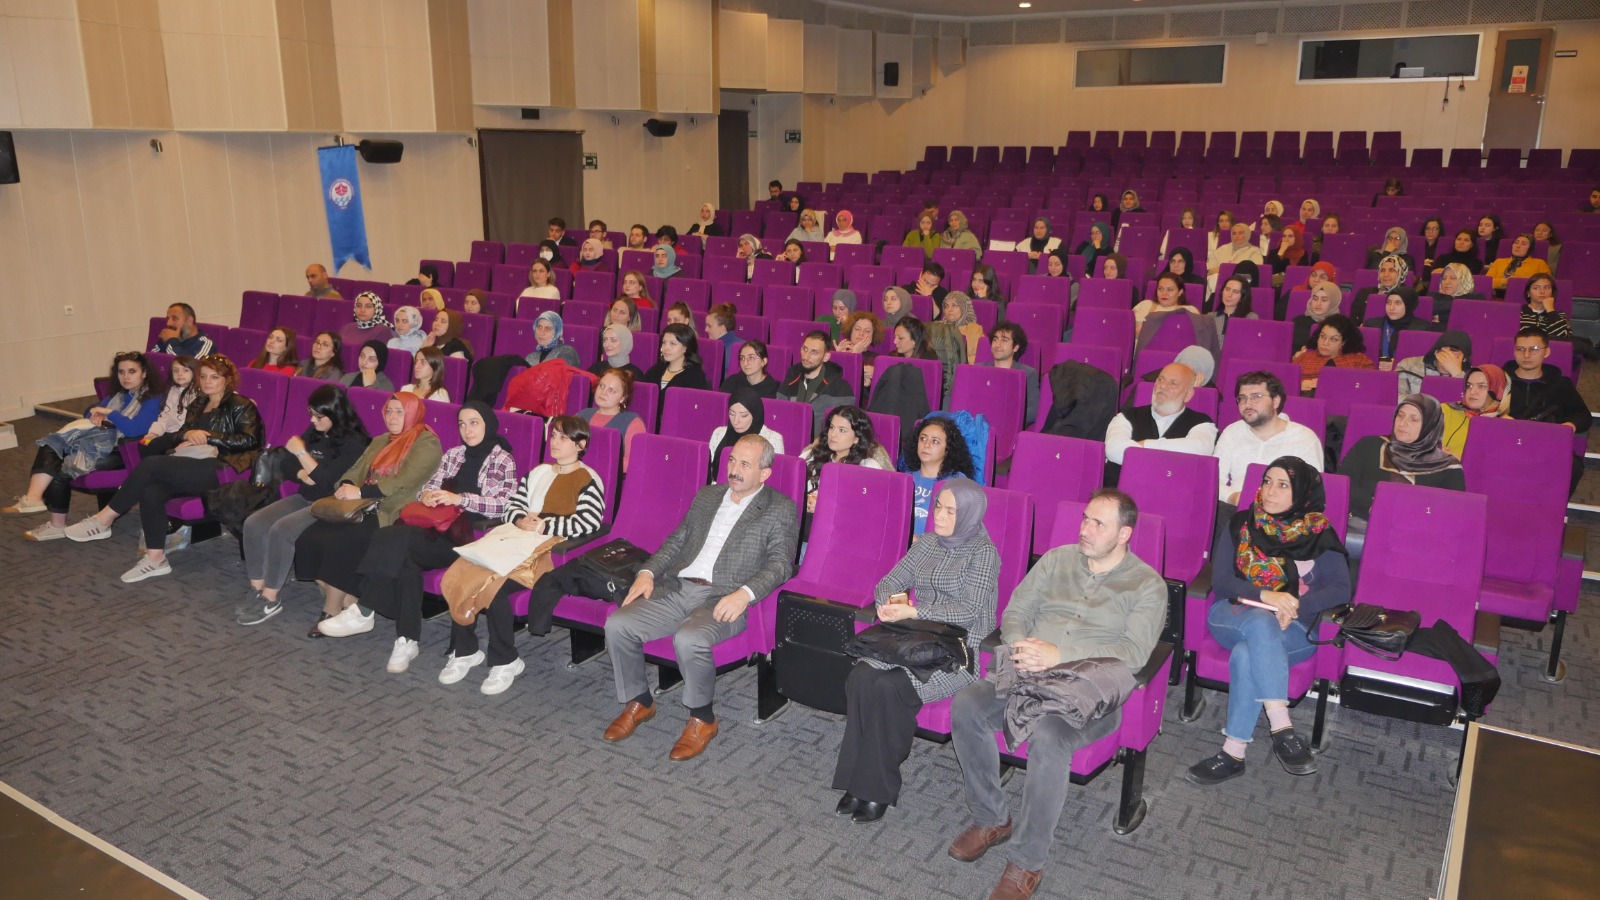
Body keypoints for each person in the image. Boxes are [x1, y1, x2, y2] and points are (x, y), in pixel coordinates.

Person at [946, 488, 1164, 900]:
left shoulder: (1147, 585)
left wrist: (1059, 654)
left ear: (1124, 534)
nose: (1085, 529)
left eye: (1098, 524)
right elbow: (1016, 611)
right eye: (1085, 519)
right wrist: (1020, 646)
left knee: (1049, 735)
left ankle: (1027, 861)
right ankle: (991, 818)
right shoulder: (1056, 559)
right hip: (1028, 669)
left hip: (1088, 691)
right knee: (968, 705)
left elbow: (1134, 652)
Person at [601, 436, 798, 760]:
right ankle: (639, 701)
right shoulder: (708, 495)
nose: (734, 469)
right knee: (618, 624)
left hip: (724, 597)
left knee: (690, 638)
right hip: (678, 587)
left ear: (764, 473)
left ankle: (702, 719)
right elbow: (677, 540)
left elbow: (781, 564)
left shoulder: (780, 508)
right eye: (732, 460)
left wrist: (744, 594)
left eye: (744, 464)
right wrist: (647, 572)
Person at [832, 480, 997, 824]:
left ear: (969, 514)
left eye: (951, 510)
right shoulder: (929, 543)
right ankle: (855, 779)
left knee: (888, 687)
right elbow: (889, 581)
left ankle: (874, 790)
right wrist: (890, 602)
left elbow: (968, 611)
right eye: (938, 506)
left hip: (957, 651)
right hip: (914, 639)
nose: (940, 515)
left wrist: (915, 611)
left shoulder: (983, 553)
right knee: (861, 676)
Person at [319, 403, 518, 679]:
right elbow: (428, 486)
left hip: (470, 539)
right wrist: (428, 496)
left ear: (488, 424)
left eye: (474, 423)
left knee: (394, 540)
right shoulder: (454, 454)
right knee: (401, 555)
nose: (467, 430)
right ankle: (406, 640)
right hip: (436, 529)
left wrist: (459, 499)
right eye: (462, 424)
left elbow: (503, 504)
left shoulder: (503, 460)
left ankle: (365, 610)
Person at [1186, 458, 1350, 786]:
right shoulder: (1242, 524)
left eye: (1283, 485)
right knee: (1261, 623)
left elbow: (1341, 588)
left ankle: (1233, 754)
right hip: (1234, 615)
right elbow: (1222, 582)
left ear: (1302, 492)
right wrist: (1267, 596)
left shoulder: (1319, 532)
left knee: (1247, 653)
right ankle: (1282, 728)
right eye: (1267, 482)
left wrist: (1296, 605)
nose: (1270, 491)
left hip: (1295, 628)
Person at [64, 355, 262, 583]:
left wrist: (210, 437)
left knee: (151, 464)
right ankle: (156, 558)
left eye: (214, 377)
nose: (207, 381)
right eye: (204, 376)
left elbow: (251, 440)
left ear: (227, 379)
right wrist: (186, 435)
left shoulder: (240, 404)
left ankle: (104, 519)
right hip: (196, 462)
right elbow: (182, 432)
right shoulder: (198, 403)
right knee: (152, 491)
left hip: (223, 468)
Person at [449, 415, 607, 681]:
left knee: (495, 588)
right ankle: (464, 651)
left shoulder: (588, 478)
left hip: (546, 552)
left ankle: (506, 660)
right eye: (553, 435)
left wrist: (545, 525)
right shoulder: (539, 471)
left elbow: (589, 521)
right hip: (516, 540)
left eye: (563, 437)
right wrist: (520, 519)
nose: (554, 442)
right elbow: (512, 505)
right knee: (465, 573)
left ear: (580, 444)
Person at [290, 392, 442, 634]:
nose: (392, 417)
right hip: (360, 507)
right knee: (311, 537)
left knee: (340, 543)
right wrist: (347, 485)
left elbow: (402, 481)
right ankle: (350, 600)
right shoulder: (382, 440)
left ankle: (331, 610)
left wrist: (359, 492)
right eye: (389, 411)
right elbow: (357, 469)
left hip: (391, 512)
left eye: (400, 412)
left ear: (414, 413)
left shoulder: (427, 444)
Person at [233, 384, 372, 625]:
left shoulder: (354, 443)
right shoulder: (315, 431)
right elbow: (285, 463)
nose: (312, 420)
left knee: (281, 530)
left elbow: (327, 480)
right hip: (304, 496)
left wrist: (301, 454)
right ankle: (257, 588)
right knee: (253, 523)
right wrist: (301, 474)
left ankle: (270, 598)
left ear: (335, 414)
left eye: (318, 416)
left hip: (328, 505)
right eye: (311, 414)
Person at [6, 352, 162, 540]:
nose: (126, 377)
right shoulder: (119, 394)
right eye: (121, 372)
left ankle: (55, 524)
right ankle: (34, 498)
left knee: (61, 466)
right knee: (52, 444)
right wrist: (97, 415)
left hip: (123, 451)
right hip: (99, 443)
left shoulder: (152, 399)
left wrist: (109, 414)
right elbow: (90, 411)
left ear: (144, 373)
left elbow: (134, 429)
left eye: (132, 371)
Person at [1341, 395, 1466, 554]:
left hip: (1415, 542)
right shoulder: (1369, 446)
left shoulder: (1448, 467)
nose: (1403, 423)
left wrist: (1396, 511)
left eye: (1414, 419)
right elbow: (1343, 487)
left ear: (1430, 425)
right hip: (1360, 531)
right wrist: (1378, 507)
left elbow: (1451, 515)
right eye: (1400, 415)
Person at [1215, 371, 1324, 504]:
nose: (1247, 404)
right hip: (1234, 507)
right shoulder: (1232, 432)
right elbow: (1213, 478)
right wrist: (1233, 497)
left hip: (1282, 511)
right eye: (1242, 398)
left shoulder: (1304, 438)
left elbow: (1312, 490)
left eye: (1256, 397)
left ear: (1275, 401)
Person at [1506, 328, 1590, 493]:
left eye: (1534, 349)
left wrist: (1569, 426)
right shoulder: (1499, 380)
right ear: (1514, 351)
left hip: (1545, 444)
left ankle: (1552, 506)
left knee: (1572, 466)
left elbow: (1583, 415)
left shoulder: (1560, 384)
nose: (1527, 355)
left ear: (1547, 352)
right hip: (1506, 441)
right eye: (1521, 349)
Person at [1104, 362, 1217, 483]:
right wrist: (1170, 456)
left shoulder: (1203, 423)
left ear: (1188, 395)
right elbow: (1113, 451)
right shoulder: (1125, 417)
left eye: (1173, 383)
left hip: (1173, 492)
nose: (1162, 386)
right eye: (1161, 379)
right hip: (1123, 491)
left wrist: (1145, 445)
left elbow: (1199, 450)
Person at [465, 310, 580, 405]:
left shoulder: (567, 351)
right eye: (539, 327)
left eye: (548, 329)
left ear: (558, 332)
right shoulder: (531, 357)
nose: (541, 332)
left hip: (552, 405)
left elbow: (562, 386)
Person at [799, 406, 892, 516]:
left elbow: (872, 508)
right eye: (832, 427)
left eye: (842, 430)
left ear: (857, 438)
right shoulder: (811, 455)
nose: (833, 435)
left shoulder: (868, 467)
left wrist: (824, 505)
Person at [904, 416, 976, 536]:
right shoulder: (906, 478)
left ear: (947, 449)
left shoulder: (957, 483)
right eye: (923, 438)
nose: (926, 445)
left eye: (935, 441)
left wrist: (916, 541)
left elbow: (957, 532)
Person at [778, 330, 854, 423]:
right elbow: (778, 414)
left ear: (826, 357)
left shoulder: (840, 388)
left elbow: (843, 426)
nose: (806, 357)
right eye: (805, 349)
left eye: (814, 352)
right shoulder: (790, 380)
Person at [579, 368, 646, 472]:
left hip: (607, 476)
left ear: (623, 398)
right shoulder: (582, 414)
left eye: (611, 390)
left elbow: (633, 461)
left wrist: (599, 466)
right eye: (601, 386)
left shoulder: (633, 422)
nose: (603, 392)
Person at [708, 390, 784, 478]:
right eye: (732, 414)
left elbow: (773, 477)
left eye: (743, 416)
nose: (736, 421)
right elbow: (709, 470)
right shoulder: (719, 433)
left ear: (755, 415)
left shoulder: (772, 439)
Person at [1293, 314, 1373, 395]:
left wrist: (1332, 384)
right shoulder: (1303, 358)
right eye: (1323, 336)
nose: (1325, 343)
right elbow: (1288, 384)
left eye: (1334, 339)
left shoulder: (1358, 361)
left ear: (1343, 342)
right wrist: (1298, 386)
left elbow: (1370, 387)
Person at [1441, 365, 1506, 458]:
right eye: (1469, 386)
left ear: (1498, 390)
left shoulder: (1504, 424)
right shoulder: (1445, 410)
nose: (1472, 391)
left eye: (1482, 386)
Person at [982, 323, 1040, 427]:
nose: (997, 345)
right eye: (995, 339)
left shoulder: (1027, 374)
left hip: (1009, 426)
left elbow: (1034, 410)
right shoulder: (979, 369)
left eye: (1004, 340)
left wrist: (1005, 417)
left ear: (1015, 347)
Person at [1396, 330, 1471, 397]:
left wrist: (1457, 374)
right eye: (1445, 357)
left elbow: (1469, 402)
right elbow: (1395, 396)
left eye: (1455, 359)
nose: (1448, 364)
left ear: (1464, 359)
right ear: (1436, 352)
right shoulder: (1408, 365)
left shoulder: (1472, 375)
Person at [644, 322, 711, 395]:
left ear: (685, 348)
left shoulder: (695, 376)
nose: (666, 348)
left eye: (672, 343)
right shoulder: (656, 369)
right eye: (664, 342)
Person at [1363, 287, 1425, 362]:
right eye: (1388, 302)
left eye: (1397, 303)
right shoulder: (1371, 325)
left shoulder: (1421, 328)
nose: (1391, 308)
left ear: (1408, 305)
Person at [1132, 272, 1203, 335]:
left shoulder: (1189, 311)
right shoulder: (1145, 305)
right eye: (1160, 289)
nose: (1164, 293)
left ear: (1180, 292)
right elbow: (1128, 329)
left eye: (1170, 290)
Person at [1486, 233, 1552, 296]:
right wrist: (1504, 281)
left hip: (1526, 299)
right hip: (1497, 298)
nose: (1518, 246)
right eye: (1516, 243)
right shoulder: (1499, 262)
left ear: (1530, 248)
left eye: (1523, 244)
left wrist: (1518, 282)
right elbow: (1487, 282)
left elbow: (1546, 285)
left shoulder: (1540, 263)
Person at [1518, 273, 1573, 341]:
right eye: (1536, 288)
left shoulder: (1559, 315)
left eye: (1547, 288)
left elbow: (1563, 338)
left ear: (1552, 293)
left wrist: (1550, 310)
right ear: (1528, 293)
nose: (1542, 291)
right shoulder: (1518, 312)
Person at [1291, 282, 1343, 354]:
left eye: (1324, 300)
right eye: (1315, 299)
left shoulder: (1340, 325)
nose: (1318, 303)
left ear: (1333, 302)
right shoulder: (1298, 321)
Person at [1431, 262, 1481, 327]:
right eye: (1444, 278)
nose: (1447, 282)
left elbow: (1468, 318)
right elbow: (1426, 310)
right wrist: (1457, 306)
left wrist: (1441, 317)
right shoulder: (1433, 296)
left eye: (1453, 278)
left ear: (1463, 280)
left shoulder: (1476, 298)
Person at [940, 292, 986, 364]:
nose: (949, 309)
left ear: (964, 307)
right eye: (946, 306)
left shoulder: (974, 329)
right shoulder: (937, 327)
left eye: (954, 306)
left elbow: (980, 358)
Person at [1206, 275, 1256, 341]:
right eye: (1227, 289)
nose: (1229, 295)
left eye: (1235, 292)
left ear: (1242, 297)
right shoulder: (1210, 317)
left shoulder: (1250, 318)